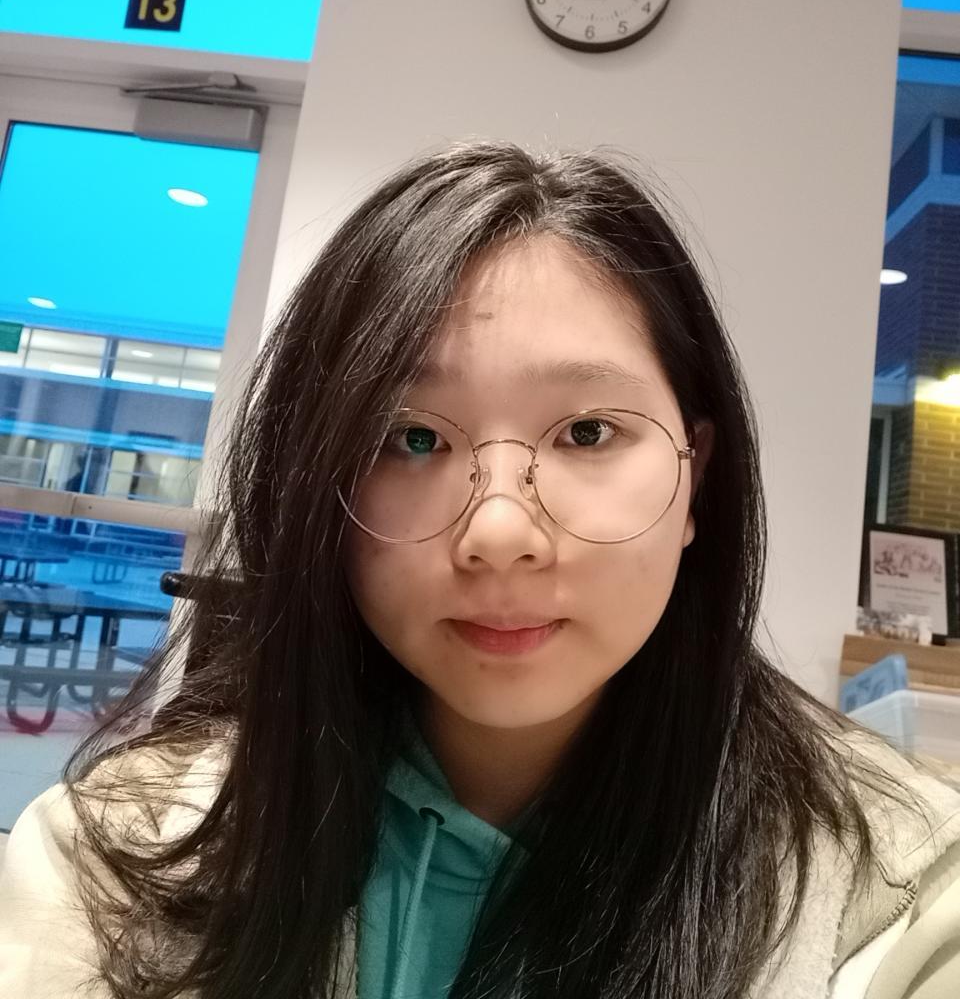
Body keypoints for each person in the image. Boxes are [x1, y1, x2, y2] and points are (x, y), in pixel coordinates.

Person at [1, 141, 958, 999]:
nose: (499, 532)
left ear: (695, 475)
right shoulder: (112, 860)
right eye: (412, 438)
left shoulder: (903, 895)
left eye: (588, 432)